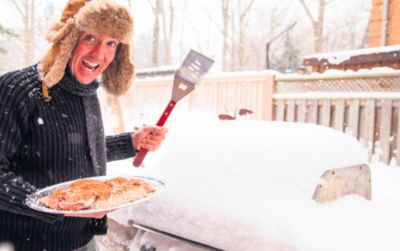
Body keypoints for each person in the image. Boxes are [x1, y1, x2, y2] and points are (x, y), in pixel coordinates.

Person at [0, 0, 168, 250]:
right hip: (27, 241)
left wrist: (131, 143)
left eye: (111, 43)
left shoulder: (86, 92)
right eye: (90, 38)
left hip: (82, 239)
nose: (100, 53)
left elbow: (74, 149)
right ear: (68, 38)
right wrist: (55, 205)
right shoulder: (17, 90)